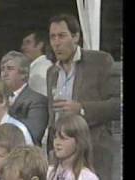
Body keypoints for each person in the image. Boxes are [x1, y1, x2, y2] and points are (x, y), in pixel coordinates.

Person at [46, 14, 120, 180]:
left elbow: (117, 105)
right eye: (52, 37)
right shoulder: (52, 73)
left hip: (94, 152)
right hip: (62, 159)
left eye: (62, 36)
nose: (56, 42)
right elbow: (52, 116)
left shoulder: (100, 61)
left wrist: (82, 109)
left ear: (76, 37)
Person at [0, 50, 48, 146]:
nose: (4, 73)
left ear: (24, 74)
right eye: (2, 69)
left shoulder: (37, 100)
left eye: (10, 69)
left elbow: (34, 133)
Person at [47, 114, 98, 180]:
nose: (57, 142)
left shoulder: (87, 177)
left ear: (78, 141)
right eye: (55, 138)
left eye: (63, 138)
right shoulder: (49, 173)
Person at [21, 29, 53, 96]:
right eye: (23, 44)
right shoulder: (33, 67)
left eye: (27, 43)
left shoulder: (43, 68)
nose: (23, 47)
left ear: (39, 45)